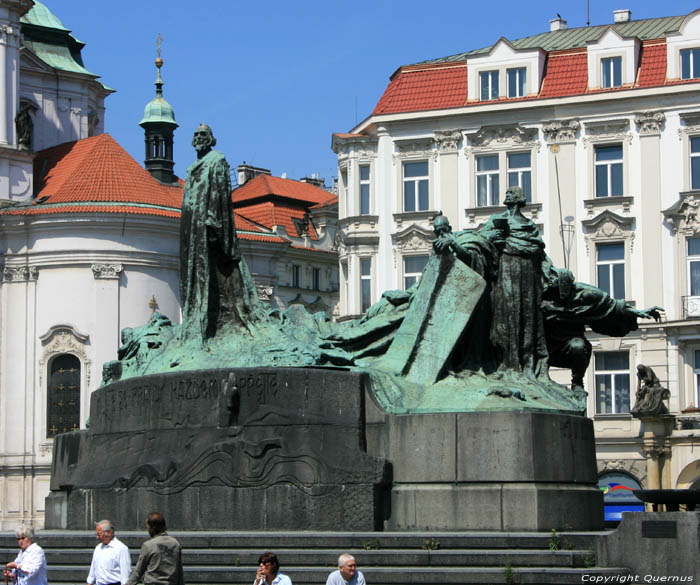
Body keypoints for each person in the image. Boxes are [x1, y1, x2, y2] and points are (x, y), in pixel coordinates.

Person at [180, 124, 262, 341]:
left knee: (210, 273)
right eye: (196, 135)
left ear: (211, 139)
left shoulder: (216, 160)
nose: (198, 138)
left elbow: (219, 193)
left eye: (203, 135)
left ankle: (211, 320)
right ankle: (195, 317)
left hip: (207, 224)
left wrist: (212, 220)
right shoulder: (192, 167)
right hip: (192, 227)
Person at [125, 513, 183, 585]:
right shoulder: (175, 544)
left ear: (153, 527)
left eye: (148, 526)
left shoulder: (149, 545)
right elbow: (179, 571)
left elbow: (138, 571)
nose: (148, 529)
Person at [86, 520, 131, 585]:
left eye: (99, 534)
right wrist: (89, 582)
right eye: (96, 534)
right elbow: (93, 570)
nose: (97, 537)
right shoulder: (98, 548)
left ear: (109, 533)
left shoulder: (121, 549)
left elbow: (125, 573)